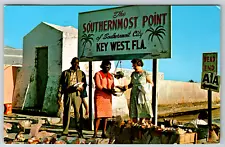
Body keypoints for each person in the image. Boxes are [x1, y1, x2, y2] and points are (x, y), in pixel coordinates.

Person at [57, 57, 88, 138]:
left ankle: (79, 131)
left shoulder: (81, 73)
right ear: (71, 63)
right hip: (68, 93)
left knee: (78, 113)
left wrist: (82, 90)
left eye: (77, 63)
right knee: (66, 112)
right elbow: (61, 85)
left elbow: (85, 84)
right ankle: (65, 131)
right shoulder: (65, 73)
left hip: (77, 94)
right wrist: (59, 96)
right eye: (74, 63)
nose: (76, 64)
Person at [117, 58, 154, 123]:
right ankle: (135, 126)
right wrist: (125, 87)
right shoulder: (133, 74)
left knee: (142, 110)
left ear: (139, 64)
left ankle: (142, 125)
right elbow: (131, 84)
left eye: (134, 65)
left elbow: (151, 83)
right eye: (133, 65)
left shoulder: (145, 73)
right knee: (134, 111)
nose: (133, 67)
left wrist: (143, 88)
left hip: (141, 95)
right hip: (134, 94)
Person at [92, 59, 115, 138]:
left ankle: (103, 132)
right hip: (100, 96)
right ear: (102, 66)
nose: (107, 68)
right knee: (98, 115)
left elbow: (112, 86)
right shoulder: (98, 74)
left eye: (109, 67)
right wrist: (107, 90)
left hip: (108, 97)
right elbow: (98, 86)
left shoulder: (111, 76)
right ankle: (95, 132)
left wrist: (114, 91)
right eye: (106, 67)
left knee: (106, 115)